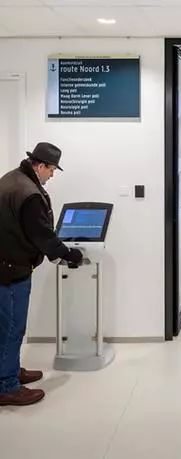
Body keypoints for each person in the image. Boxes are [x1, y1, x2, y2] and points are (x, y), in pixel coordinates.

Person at [0, 143, 83, 407]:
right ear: (40, 165)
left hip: (7, 264)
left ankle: (11, 371)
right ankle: (6, 386)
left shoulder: (12, 179)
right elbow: (42, 235)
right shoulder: (29, 193)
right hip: (10, 270)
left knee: (7, 326)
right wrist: (69, 254)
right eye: (52, 169)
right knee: (12, 328)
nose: (52, 175)